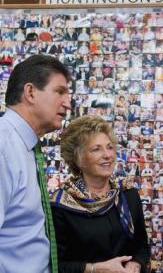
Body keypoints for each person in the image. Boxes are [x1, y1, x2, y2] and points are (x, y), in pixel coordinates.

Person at [50, 115, 150, 272]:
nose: (108, 155)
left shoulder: (129, 195)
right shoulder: (60, 205)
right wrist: (94, 269)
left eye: (109, 147)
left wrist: (136, 264)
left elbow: (141, 246)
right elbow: (56, 265)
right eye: (96, 149)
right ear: (78, 159)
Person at [0, 54, 71, 272]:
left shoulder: (24, 145)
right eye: (60, 92)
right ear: (30, 92)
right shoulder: (4, 146)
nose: (68, 103)